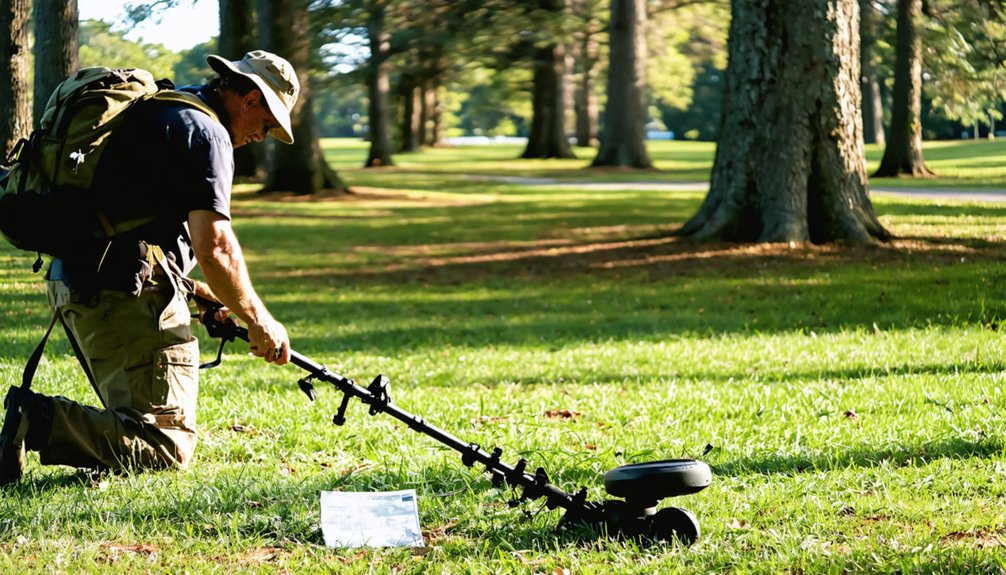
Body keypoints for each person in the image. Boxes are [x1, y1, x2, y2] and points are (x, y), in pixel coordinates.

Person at [0, 50, 299, 484]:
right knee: (166, 443)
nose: (262, 136)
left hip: (78, 285)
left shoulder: (166, 109)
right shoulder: (208, 134)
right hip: (120, 295)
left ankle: (40, 422)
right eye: (267, 124)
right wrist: (260, 320)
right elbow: (216, 247)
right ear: (250, 99)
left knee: (138, 427)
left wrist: (196, 291)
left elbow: (133, 217)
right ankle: (38, 420)